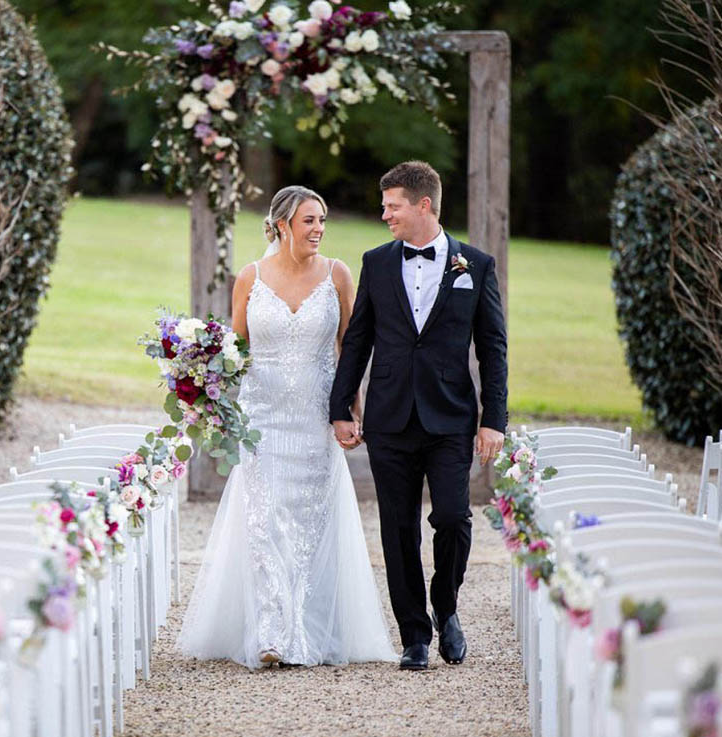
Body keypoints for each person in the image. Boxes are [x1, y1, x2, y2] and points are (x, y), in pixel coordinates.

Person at [177, 185, 398, 669]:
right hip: (264, 419)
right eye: (309, 221)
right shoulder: (250, 278)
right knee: (265, 521)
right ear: (282, 225)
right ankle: (272, 634)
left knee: (310, 525)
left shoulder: (338, 275)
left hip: (315, 419)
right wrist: (198, 381)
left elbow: (349, 349)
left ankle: (307, 625)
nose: (318, 229)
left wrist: (351, 411)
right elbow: (235, 349)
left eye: (322, 220)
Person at [329, 161, 508, 671]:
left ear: (424, 205)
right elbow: (358, 337)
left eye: (393, 206)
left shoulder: (475, 265)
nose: (384, 214)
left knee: (453, 517)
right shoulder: (377, 262)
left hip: (451, 418)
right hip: (389, 417)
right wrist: (341, 407)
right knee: (397, 528)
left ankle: (446, 607)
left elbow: (493, 348)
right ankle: (414, 635)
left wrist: (493, 418)